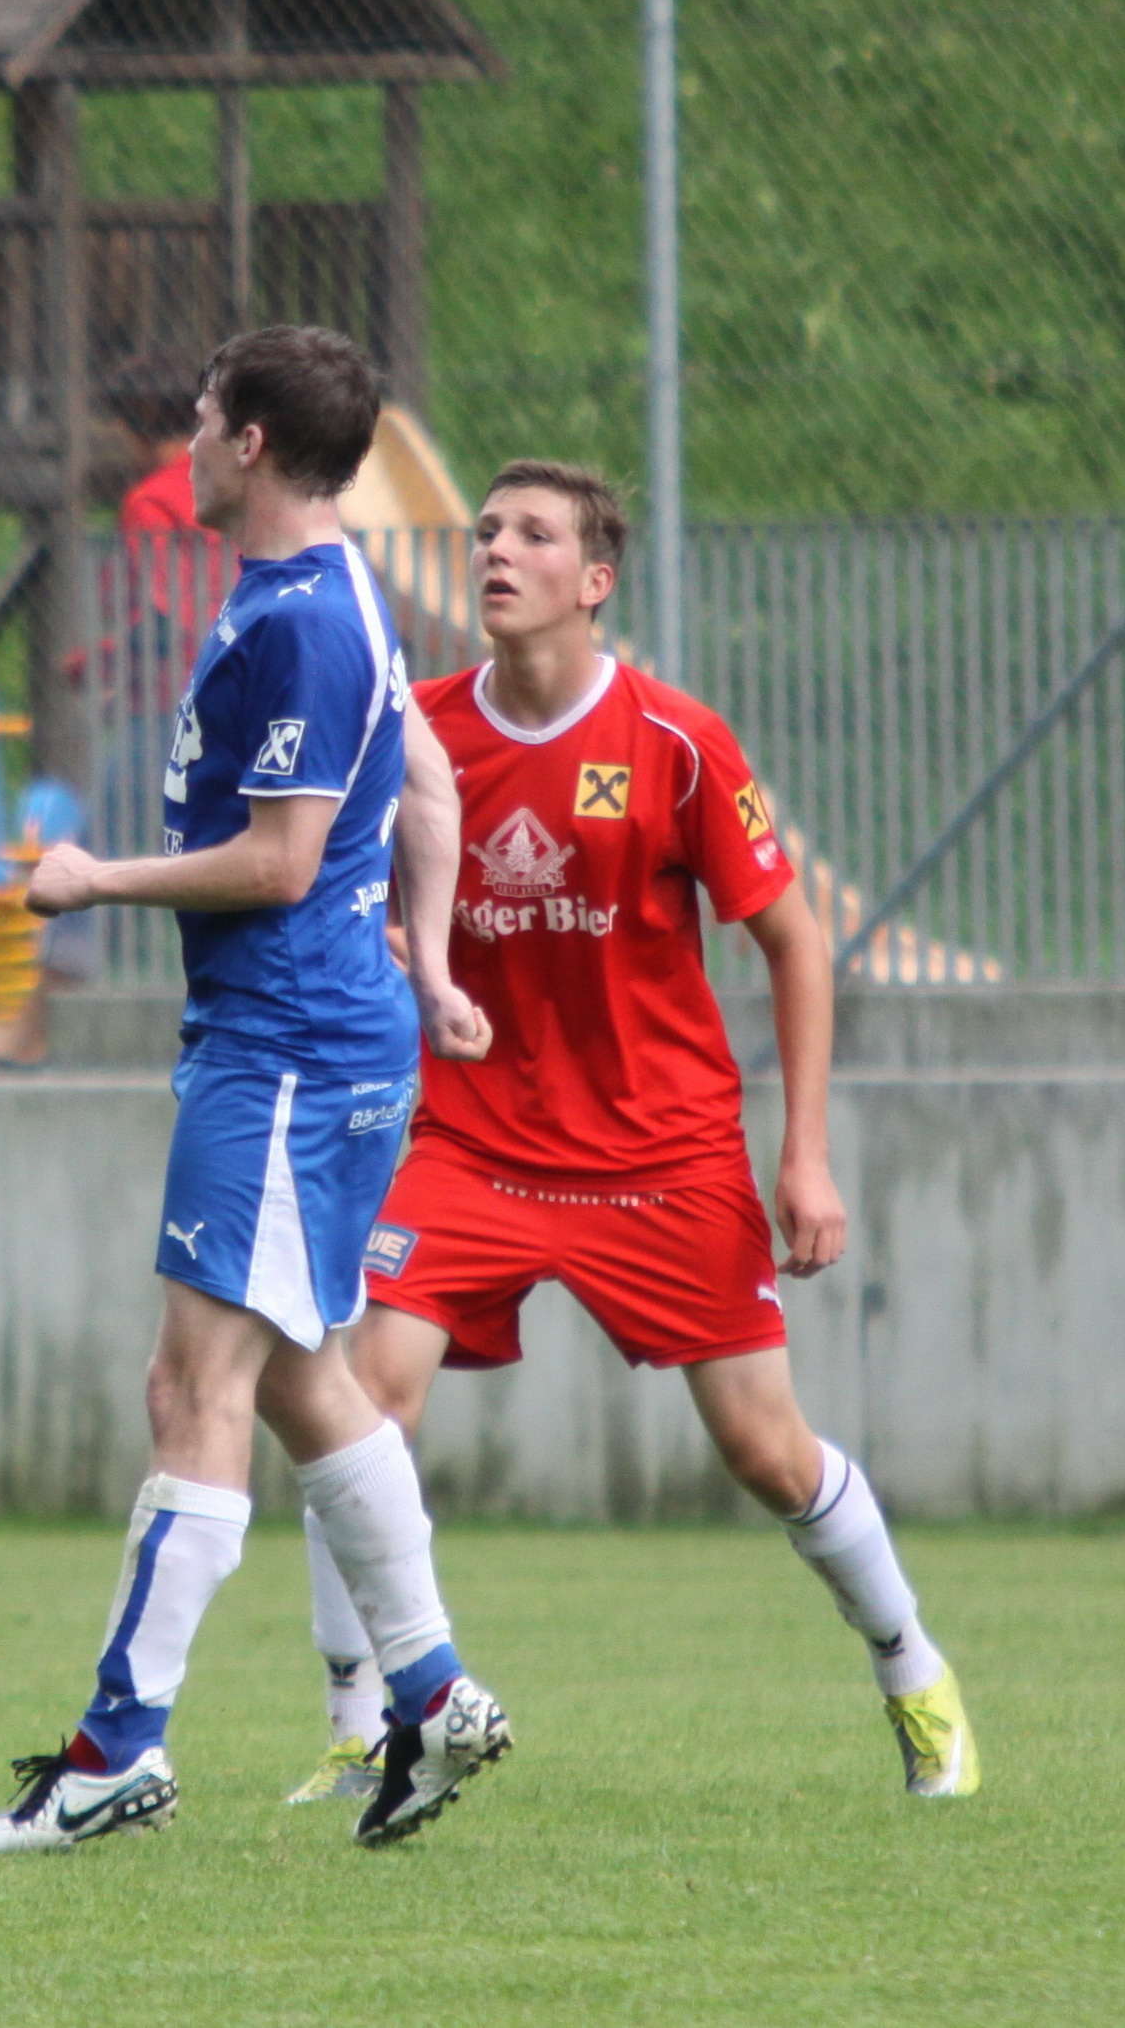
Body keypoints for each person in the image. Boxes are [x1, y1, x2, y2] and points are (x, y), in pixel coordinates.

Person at [282, 461, 977, 1806]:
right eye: (486, 529)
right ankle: (362, 1719)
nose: (496, 549)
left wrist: (805, 1151)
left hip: (661, 1151)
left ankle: (911, 1665)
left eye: (533, 535)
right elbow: (348, 894)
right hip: (472, 1141)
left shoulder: (674, 740)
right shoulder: (420, 733)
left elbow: (795, 941)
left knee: (766, 1451)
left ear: (594, 581)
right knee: (363, 1397)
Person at [0, 325, 507, 1855]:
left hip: (284, 1050)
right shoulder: (317, 592)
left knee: (191, 1387)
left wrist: (93, 879)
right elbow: (429, 783)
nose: (188, 441)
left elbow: (279, 861)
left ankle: (115, 1749)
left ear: (252, 441)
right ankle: (435, 1692)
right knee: (297, 1376)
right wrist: (429, 966)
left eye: (204, 417)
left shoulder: (308, 617)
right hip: (321, 1036)